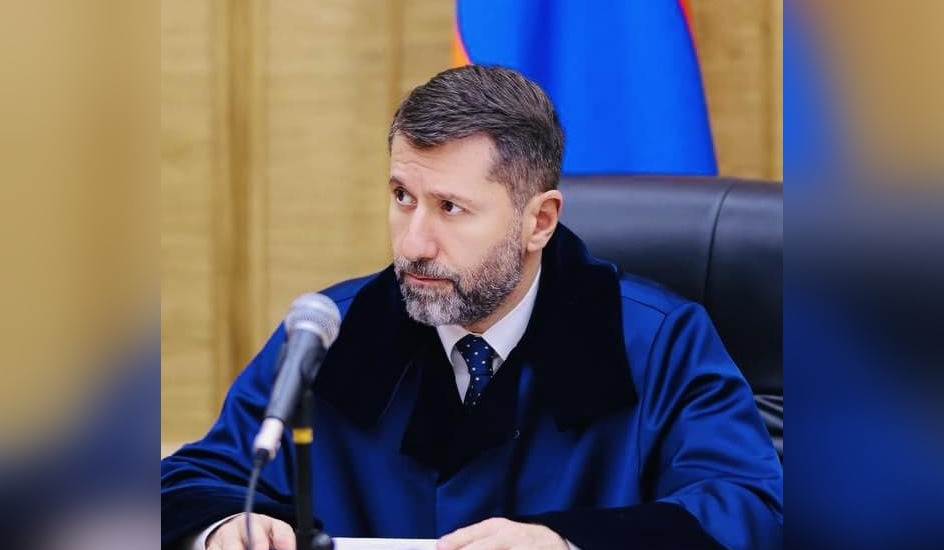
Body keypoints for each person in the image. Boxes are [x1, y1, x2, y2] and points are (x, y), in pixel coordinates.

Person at [162, 65, 783, 550]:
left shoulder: (656, 342)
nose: (414, 243)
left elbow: (754, 509)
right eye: (402, 197)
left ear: (539, 221)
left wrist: (567, 543)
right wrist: (222, 527)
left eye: (450, 208)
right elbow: (188, 482)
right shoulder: (333, 333)